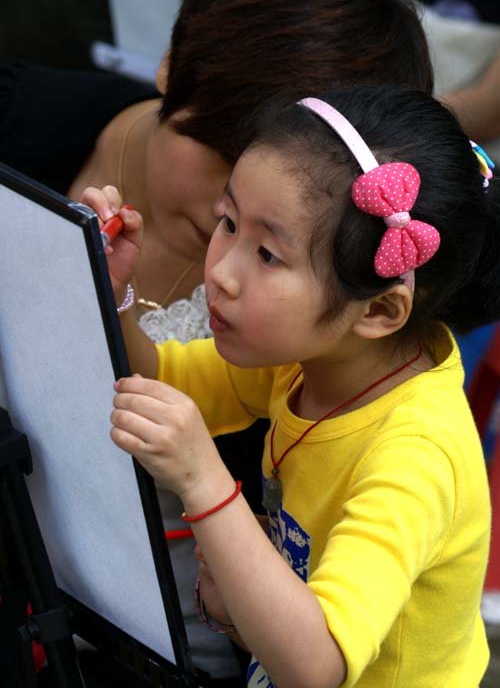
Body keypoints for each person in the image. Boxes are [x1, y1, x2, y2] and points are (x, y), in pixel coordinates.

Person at [0, 0, 435, 682]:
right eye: (222, 159)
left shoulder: (323, 350)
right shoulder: (20, 120)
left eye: (281, 235)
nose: (230, 225)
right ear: (171, 65)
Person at [84, 82, 498, 687]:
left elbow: (316, 663)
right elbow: (165, 379)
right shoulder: (312, 358)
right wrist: (114, 292)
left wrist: (204, 481)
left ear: (380, 312)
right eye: (228, 222)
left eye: (268, 255)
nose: (222, 273)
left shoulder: (415, 455)